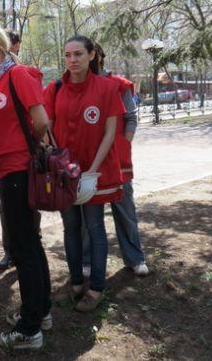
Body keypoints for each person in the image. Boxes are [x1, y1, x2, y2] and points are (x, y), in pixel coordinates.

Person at [0, 23, 51, 351]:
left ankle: (29, 329)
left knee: (23, 246)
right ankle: (40, 312)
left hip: (19, 170)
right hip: (7, 171)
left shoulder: (16, 75)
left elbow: (42, 119)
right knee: (27, 244)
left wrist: (29, 147)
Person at [43, 35, 125, 312]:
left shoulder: (107, 88)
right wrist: (59, 164)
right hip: (65, 175)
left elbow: (111, 131)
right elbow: (47, 129)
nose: (72, 60)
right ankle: (76, 283)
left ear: (91, 55)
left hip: (95, 172)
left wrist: (91, 171)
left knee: (95, 227)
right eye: (67, 55)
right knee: (70, 228)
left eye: (78, 54)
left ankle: (96, 288)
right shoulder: (54, 89)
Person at [80, 43, 148, 277]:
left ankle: (134, 257)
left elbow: (130, 118)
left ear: (94, 56)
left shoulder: (119, 85)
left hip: (118, 162)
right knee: (88, 216)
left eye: (82, 54)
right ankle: (87, 261)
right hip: (88, 162)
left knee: (124, 210)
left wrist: (123, 143)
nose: (77, 60)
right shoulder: (76, 87)